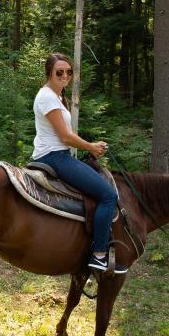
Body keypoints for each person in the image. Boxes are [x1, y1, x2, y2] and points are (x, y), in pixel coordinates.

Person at [31, 53, 125, 274]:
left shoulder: (57, 97)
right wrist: (91, 147)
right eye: (59, 72)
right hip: (55, 156)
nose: (65, 76)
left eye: (69, 72)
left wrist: (90, 146)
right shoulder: (46, 97)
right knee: (108, 195)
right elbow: (65, 136)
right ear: (49, 73)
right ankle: (99, 255)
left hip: (59, 154)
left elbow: (67, 135)